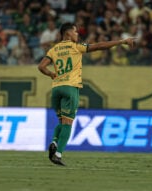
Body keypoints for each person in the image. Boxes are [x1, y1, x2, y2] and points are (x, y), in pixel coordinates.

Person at [38, 22, 135, 166]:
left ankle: (54, 142)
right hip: (70, 88)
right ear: (68, 33)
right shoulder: (76, 47)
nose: (77, 34)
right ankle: (58, 154)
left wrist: (52, 74)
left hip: (56, 88)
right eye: (75, 32)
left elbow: (41, 66)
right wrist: (121, 42)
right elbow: (99, 46)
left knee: (61, 122)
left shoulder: (54, 49)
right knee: (68, 124)